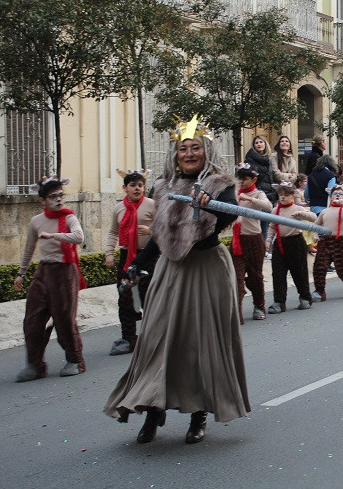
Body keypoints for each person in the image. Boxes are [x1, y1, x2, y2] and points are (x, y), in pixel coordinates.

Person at [104, 117, 250, 445]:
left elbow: (231, 214)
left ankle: (199, 414)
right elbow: (159, 235)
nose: (188, 153)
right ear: (175, 152)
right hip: (170, 272)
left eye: (195, 147)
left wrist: (211, 205)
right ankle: (154, 408)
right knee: (156, 338)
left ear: (206, 150)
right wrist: (139, 265)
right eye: (183, 148)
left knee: (200, 343)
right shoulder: (163, 186)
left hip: (207, 269)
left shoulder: (219, 182)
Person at [14, 176, 86, 382]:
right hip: (44, 271)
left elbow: (79, 237)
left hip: (65, 271)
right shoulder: (36, 221)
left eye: (61, 195)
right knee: (32, 319)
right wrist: (21, 273)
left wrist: (54, 236)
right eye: (53, 197)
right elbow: (29, 249)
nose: (59, 200)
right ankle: (35, 365)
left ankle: (75, 360)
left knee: (64, 319)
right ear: (42, 201)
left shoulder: (69, 217)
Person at [104, 169, 156, 356]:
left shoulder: (152, 205)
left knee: (149, 297)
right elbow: (112, 232)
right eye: (133, 186)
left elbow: (165, 229)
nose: (137, 189)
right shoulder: (119, 208)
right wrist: (109, 253)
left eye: (140, 185)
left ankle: (154, 338)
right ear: (125, 188)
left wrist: (150, 231)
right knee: (125, 298)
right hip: (126, 258)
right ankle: (128, 338)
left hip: (149, 257)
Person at [265, 183, 317, 314]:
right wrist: (268, 241)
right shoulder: (275, 210)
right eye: (280, 195)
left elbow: (313, 217)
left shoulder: (297, 208)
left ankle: (305, 298)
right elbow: (271, 227)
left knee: (299, 272)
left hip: (296, 242)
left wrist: (302, 214)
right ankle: (279, 302)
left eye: (286, 195)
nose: (283, 197)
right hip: (280, 243)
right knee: (278, 274)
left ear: (293, 196)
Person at [231, 164, 273, 321]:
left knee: (255, 276)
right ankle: (237, 312)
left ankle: (259, 305)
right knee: (236, 277)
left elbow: (268, 206)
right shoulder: (234, 193)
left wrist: (249, 198)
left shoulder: (259, 193)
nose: (241, 182)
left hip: (254, 239)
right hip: (237, 241)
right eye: (239, 178)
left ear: (254, 179)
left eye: (245, 179)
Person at [312, 184, 343, 301]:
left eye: (340, 193)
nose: (337, 195)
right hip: (325, 241)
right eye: (335, 193)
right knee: (319, 267)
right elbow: (316, 224)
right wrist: (314, 234)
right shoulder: (325, 211)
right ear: (330, 196)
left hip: (342, 241)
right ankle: (319, 291)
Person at [244, 135, 276, 241]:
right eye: (256, 143)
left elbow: (272, 177)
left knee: (265, 226)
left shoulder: (269, 159)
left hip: (269, 195)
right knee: (257, 227)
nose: (259, 144)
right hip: (257, 195)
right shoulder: (250, 159)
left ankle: (263, 250)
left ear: (265, 144)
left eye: (261, 142)